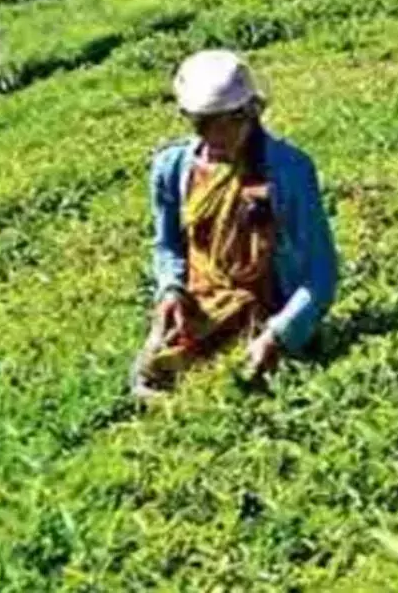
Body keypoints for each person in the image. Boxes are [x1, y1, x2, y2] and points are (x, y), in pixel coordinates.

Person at [132, 50, 339, 398]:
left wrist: (279, 333)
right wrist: (170, 291)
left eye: (232, 120)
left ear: (253, 111)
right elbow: (168, 245)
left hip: (268, 314)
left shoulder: (289, 169)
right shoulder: (172, 169)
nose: (220, 135)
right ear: (188, 118)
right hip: (200, 312)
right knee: (150, 377)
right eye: (205, 123)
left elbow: (321, 275)